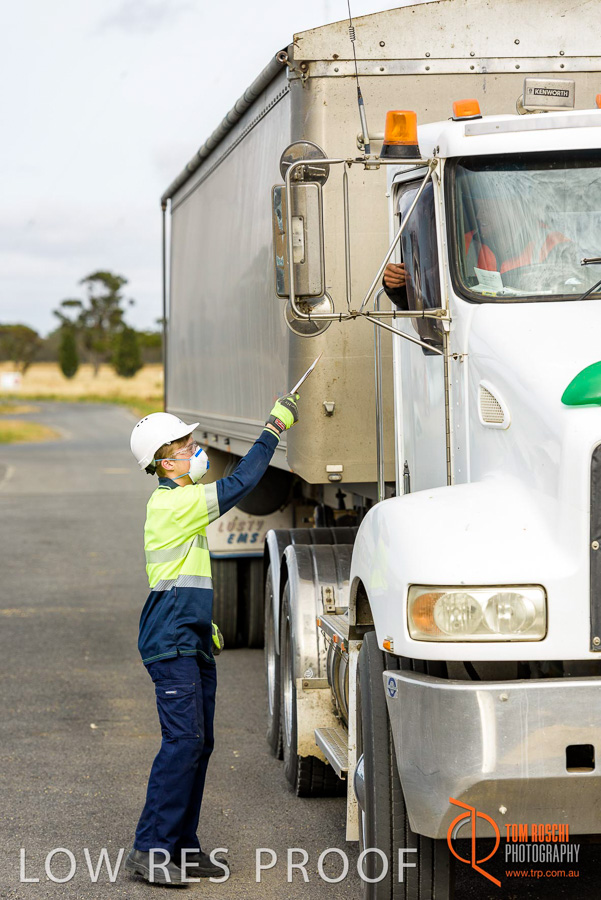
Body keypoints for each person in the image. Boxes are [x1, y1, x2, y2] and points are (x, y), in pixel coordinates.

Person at [125, 393, 300, 886]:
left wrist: (205, 623)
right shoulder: (174, 503)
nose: (196, 449)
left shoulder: (183, 506)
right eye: (185, 446)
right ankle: (150, 849)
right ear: (165, 462)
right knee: (183, 742)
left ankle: (182, 846)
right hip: (171, 640)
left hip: (190, 636)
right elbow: (242, 482)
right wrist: (272, 430)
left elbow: (183, 576)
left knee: (199, 744)